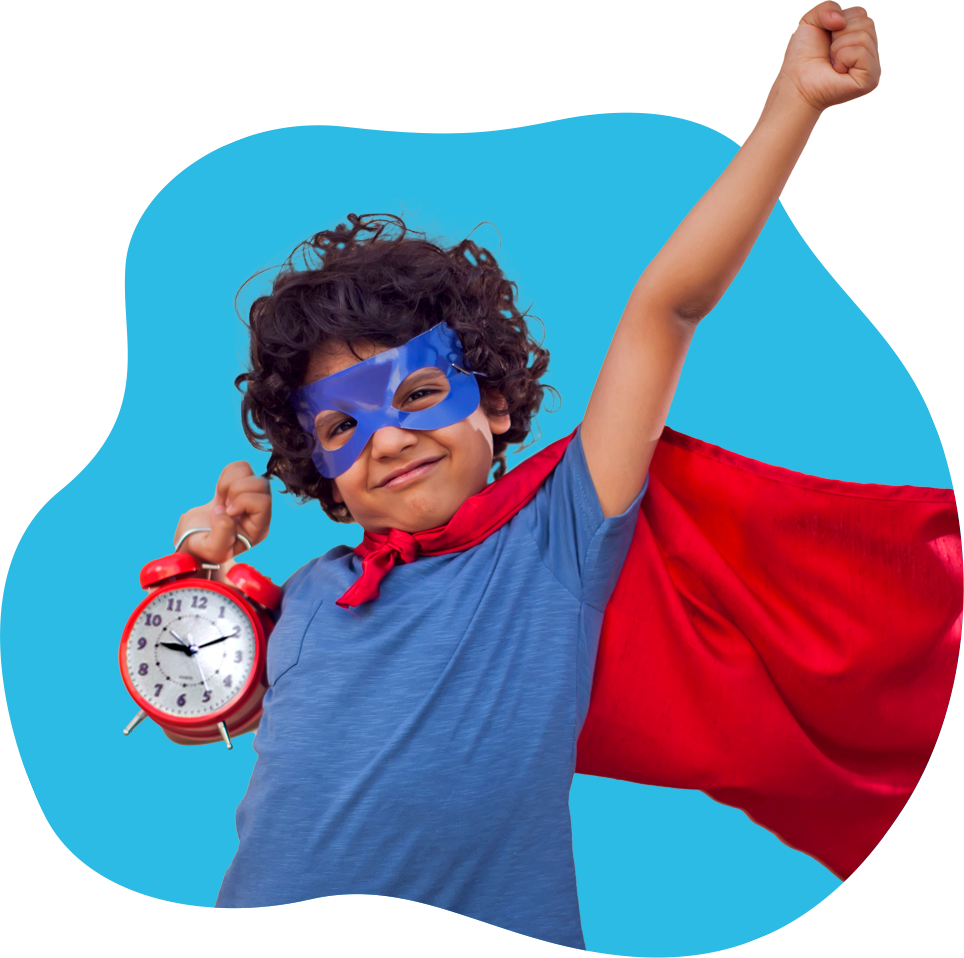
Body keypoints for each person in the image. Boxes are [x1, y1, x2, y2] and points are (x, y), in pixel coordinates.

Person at [171, 3, 886, 948]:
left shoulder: (555, 535)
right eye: (343, 425)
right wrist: (201, 556)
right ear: (324, 473)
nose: (385, 441)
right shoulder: (310, 593)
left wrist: (792, 107)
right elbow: (198, 702)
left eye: (418, 391)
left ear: (496, 403)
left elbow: (665, 310)